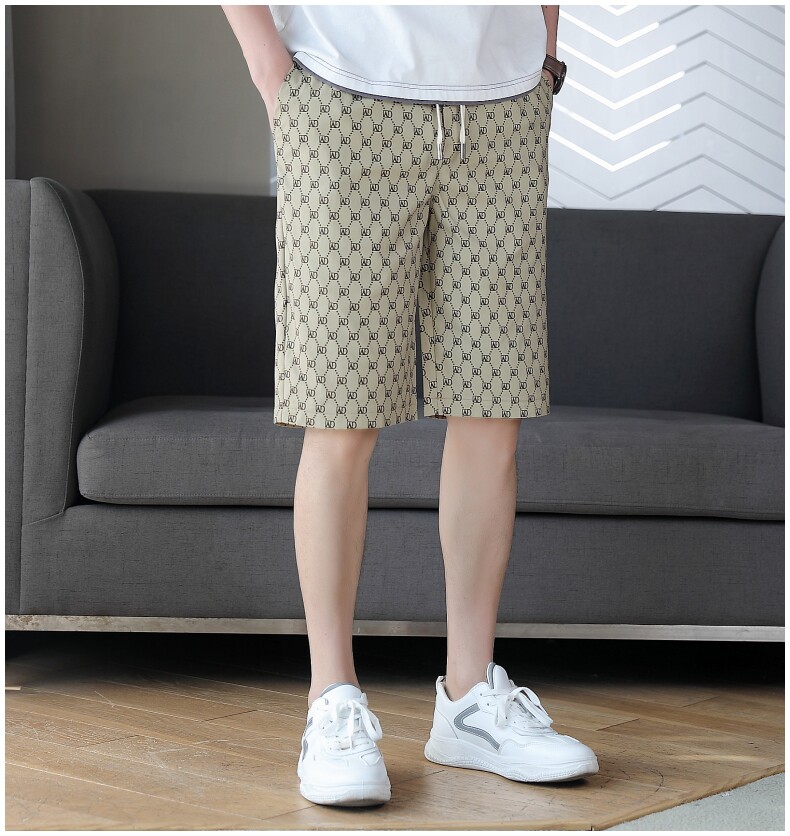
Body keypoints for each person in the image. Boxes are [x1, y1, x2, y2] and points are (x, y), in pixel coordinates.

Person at [221, 3, 596, 808]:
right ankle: (332, 699)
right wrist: (271, 71)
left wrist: (544, 55)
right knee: (340, 415)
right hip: (343, 99)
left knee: (494, 414)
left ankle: (470, 699)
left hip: (503, 111)